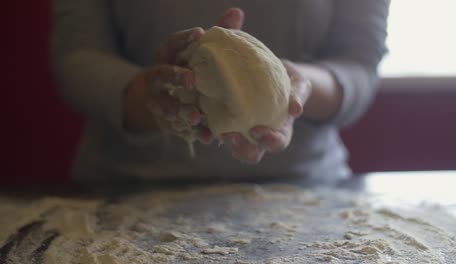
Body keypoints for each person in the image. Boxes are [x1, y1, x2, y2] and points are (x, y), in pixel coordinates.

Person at [51, 0, 389, 181]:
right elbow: (77, 57)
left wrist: (296, 84)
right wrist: (151, 95)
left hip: (302, 190)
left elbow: (358, 63)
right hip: (127, 187)